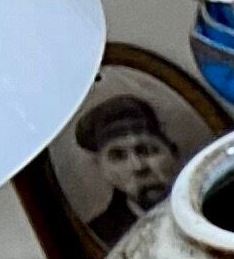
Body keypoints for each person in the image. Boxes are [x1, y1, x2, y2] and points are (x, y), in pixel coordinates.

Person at [71, 89, 187, 250]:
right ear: (102, 168)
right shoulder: (102, 235)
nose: (138, 167)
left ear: (173, 152)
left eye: (146, 150)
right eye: (118, 156)